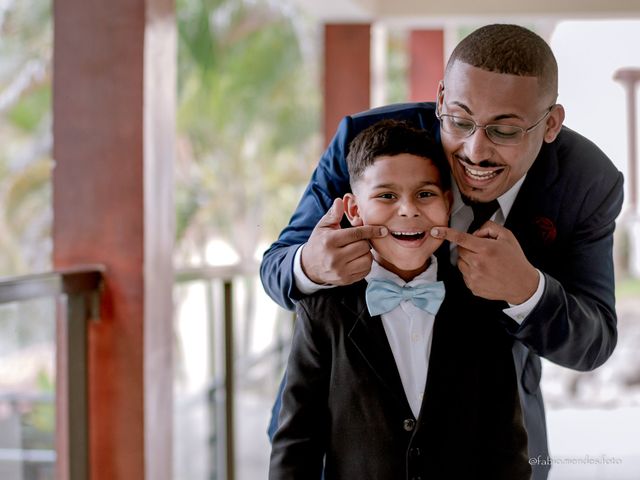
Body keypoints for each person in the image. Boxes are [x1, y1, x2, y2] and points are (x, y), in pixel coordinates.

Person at [262, 24, 624, 480]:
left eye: (505, 130)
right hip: (344, 441)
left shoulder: (588, 184)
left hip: (492, 440)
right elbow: (277, 265)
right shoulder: (370, 142)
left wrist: (527, 290)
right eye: (460, 120)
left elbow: (594, 342)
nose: (475, 150)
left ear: (550, 124)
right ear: (439, 101)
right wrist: (310, 266)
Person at [269, 119, 531, 479]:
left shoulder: (483, 306)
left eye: (424, 194)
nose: (408, 210)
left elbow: (506, 451)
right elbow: (297, 446)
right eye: (387, 196)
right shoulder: (322, 310)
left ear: (447, 203)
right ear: (355, 211)